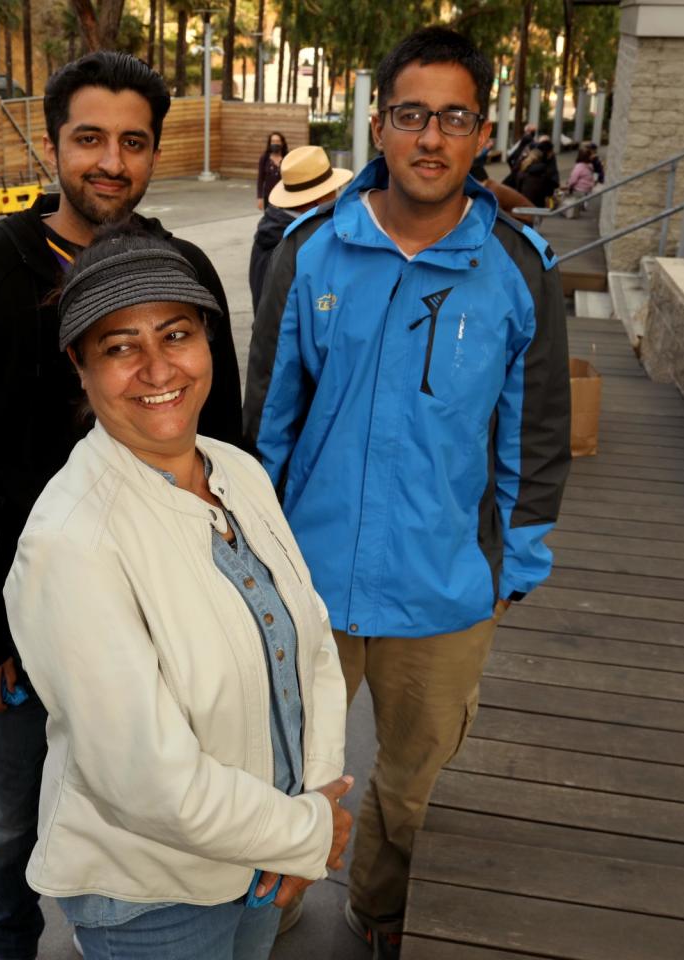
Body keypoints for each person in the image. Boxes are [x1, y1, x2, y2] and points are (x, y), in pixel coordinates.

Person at [243, 26, 570, 958]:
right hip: (307, 578)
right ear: (379, 127)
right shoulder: (311, 254)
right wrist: (252, 552)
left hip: (446, 587)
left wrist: (520, 555)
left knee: (410, 775)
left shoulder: (517, 268)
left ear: (482, 134)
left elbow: (536, 433)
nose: (431, 137)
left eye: (454, 118)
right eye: (412, 114)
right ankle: (274, 904)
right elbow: (268, 418)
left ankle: (380, 910)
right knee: (284, 764)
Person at [0, 52, 242, 960]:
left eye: (133, 142)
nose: (111, 161)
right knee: (10, 816)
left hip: (161, 617)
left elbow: (230, 449)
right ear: (53, 143)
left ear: (153, 152)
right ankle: (9, 937)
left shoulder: (185, 268)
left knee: (152, 802)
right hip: (18, 632)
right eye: (89, 138)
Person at [2, 224, 352, 960]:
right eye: (120, 346)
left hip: (263, 859)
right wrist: (307, 832)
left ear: (207, 343)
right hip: (152, 895)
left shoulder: (238, 472)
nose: (157, 367)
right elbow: (147, 779)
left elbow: (312, 644)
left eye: (176, 334)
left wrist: (307, 810)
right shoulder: (71, 542)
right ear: (81, 365)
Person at [249, 145, 353, 312]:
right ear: (319, 199)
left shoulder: (273, 228)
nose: (337, 194)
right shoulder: (296, 241)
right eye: (333, 189)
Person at [516, 137, 560, 208]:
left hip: (524, 202)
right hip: (538, 204)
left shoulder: (523, 170)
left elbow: (518, 188)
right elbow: (548, 190)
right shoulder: (545, 171)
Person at [256, 131, 288, 211]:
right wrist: (260, 197)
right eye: (273, 141)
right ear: (269, 144)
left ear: (282, 143)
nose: (275, 144)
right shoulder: (264, 158)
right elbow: (260, 179)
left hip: (284, 196)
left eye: (277, 141)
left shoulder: (287, 158)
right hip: (269, 196)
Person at [561, 145, 597, 218]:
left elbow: (573, 179)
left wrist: (568, 185)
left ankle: (572, 210)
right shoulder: (590, 165)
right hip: (588, 188)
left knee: (568, 196)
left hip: (579, 189)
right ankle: (583, 205)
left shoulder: (579, 166)